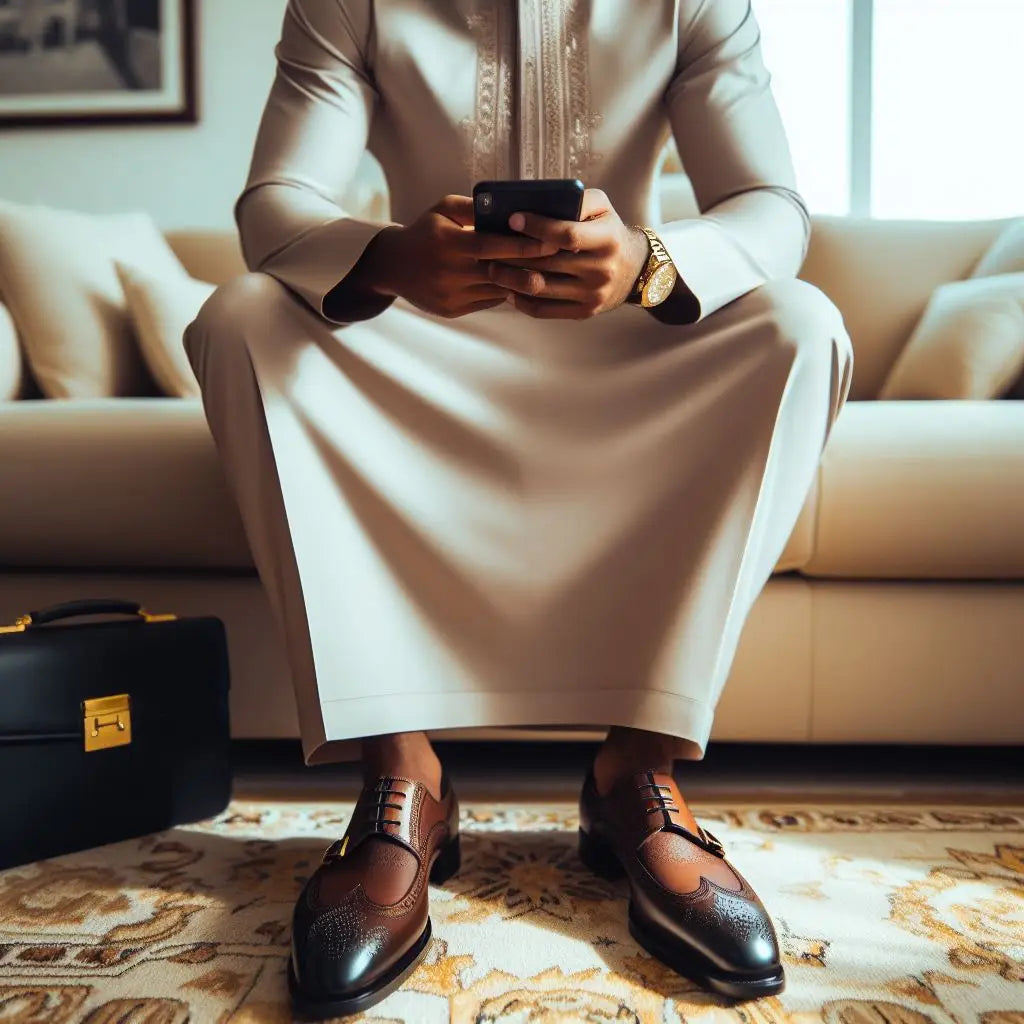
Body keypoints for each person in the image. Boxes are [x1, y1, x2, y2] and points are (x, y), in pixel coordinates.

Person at [185, 0, 853, 1016]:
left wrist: (648, 262)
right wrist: (391, 258)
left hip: (632, 346)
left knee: (801, 325)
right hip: (414, 341)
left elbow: (773, 208)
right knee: (238, 320)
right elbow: (274, 203)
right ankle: (403, 776)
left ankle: (637, 772)